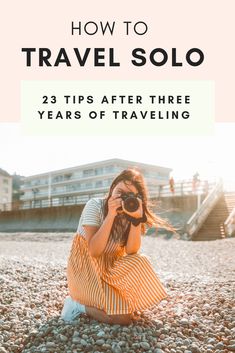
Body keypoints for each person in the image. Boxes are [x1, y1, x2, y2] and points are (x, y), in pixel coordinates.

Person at [61, 168, 174, 325]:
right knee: (122, 318)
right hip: (86, 272)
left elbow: (132, 251)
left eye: (130, 196)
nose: (123, 198)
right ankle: (76, 304)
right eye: (120, 192)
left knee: (141, 260)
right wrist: (111, 215)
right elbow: (94, 251)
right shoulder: (95, 205)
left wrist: (135, 220)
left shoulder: (130, 212)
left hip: (110, 271)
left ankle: (113, 301)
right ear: (112, 187)